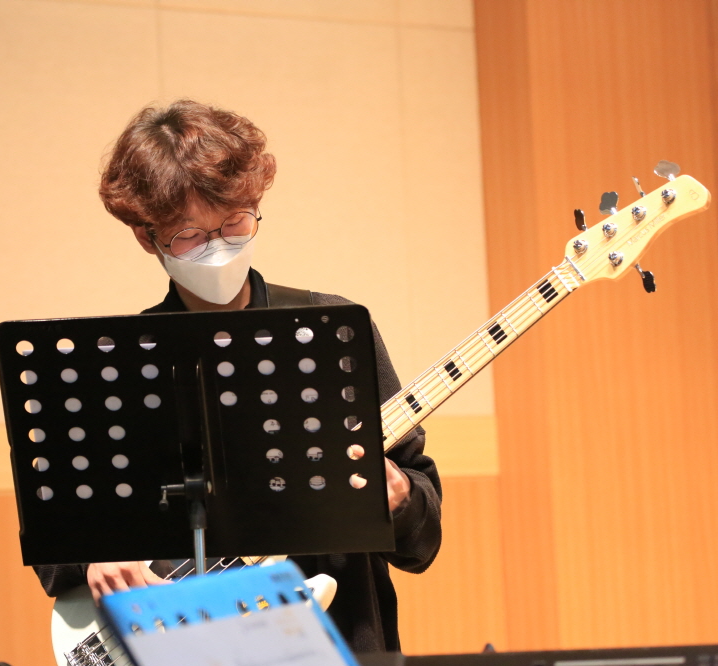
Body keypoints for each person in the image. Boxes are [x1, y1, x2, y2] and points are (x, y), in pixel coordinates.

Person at [35, 99, 442, 653]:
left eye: (235, 222)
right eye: (189, 234)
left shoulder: (335, 331)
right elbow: (54, 529)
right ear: (146, 237)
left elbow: (423, 537)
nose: (219, 248)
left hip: (340, 638)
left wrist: (401, 499)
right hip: (177, 645)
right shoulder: (114, 363)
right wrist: (93, 557)